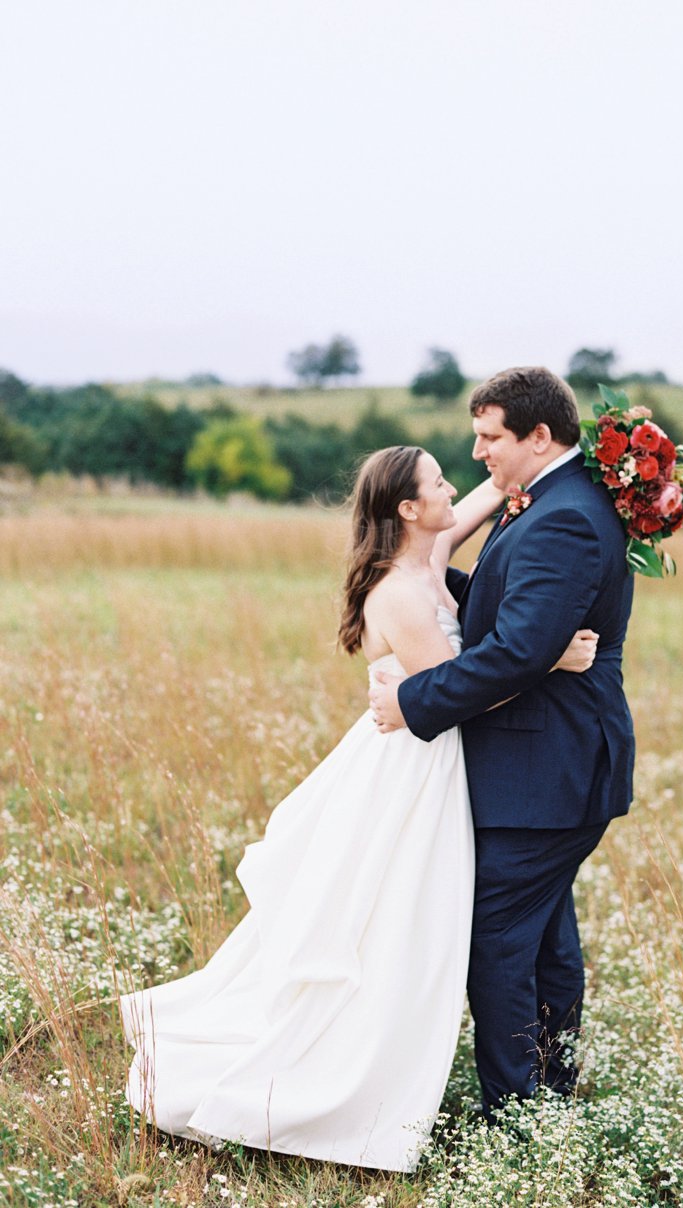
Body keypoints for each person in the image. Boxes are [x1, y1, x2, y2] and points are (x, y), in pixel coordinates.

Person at [120, 443, 597, 1173]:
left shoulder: (427, 556)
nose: (450, 488)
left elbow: (490, 492)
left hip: (434, 763)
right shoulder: (399, 593)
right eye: (436, 481)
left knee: (409, 922)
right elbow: (462, 692)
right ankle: (332, 1087)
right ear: (408, 509)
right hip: (409, 769)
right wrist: (551, 658)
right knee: (388, 924)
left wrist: (569, 455)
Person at [369, 366, 635, 1121]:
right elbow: (500, 606)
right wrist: (421, 592)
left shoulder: (564, 517)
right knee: (544, 937)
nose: (478, 451)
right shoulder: (548, 503)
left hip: (546, 766)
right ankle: (547, 1093)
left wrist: (410, 701)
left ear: (538, 436)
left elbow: (518, 650)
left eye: (490, 437)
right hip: (544, 764)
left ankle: (517, 1113)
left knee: (498, 942)